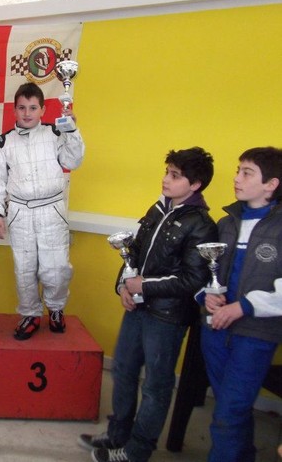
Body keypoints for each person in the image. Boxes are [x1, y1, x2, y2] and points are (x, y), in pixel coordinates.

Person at [79, 147, 218, 462]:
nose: (166, 179)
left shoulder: (200, 224)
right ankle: (117, 435)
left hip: (167, 317)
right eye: (167, 172)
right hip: (138, 308)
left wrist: (144, 286)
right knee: (123, 370)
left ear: (195, 184)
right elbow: (134, 253)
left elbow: (192, 279)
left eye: (175, 175)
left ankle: (137, 450)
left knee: (156, 385)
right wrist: (123, 286)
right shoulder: (157, 209)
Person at [199, 146, 282, 462]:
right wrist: (206, 295)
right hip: (215, 329)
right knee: (228, 407)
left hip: (255, 333)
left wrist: (242, 306)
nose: (236, 178)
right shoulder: (227, 222)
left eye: (247, 173)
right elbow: (206, 273)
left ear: (271, 184)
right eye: (238, 170)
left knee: (229, 411)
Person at [0, 82, 84, 338]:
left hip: (52, 210)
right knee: (25, 269)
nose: (27, 113)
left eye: (33, 108)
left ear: (42, 110)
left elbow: (73, 160)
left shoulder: (54, 134)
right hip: (20, 212)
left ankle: (56, 309)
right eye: (22, 108)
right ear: (15, 110)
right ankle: (30, 314)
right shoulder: (4, 143)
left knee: (56, 269)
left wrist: (72, 131)